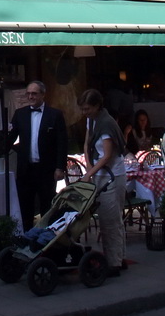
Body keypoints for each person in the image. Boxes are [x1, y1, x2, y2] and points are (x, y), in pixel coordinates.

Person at [79, 89, 127, 277]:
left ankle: (114, 262)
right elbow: (86, 143)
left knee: (110, 220)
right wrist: (89, 164)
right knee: (110, 219)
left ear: (97, 106)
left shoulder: (106, 125)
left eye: (87, 108)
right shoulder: (93, 120)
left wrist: (89, 173)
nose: (84, 112)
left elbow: (107, 156)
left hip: (112, 175)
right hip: (100, 174)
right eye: (82, 109)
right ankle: (118, 257)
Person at [9, 80, 67, 230]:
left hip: (46, 170)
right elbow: (9, 139)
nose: (30, 97)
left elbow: (62, 143)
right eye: (28, 94)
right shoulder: (20, 114)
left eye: (34, 93)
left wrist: (60, 167)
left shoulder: (55, 115)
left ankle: (47, 243)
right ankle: (26, 241)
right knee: (25, 207)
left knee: (47, 207)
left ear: (43, 94)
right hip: (26, 170)